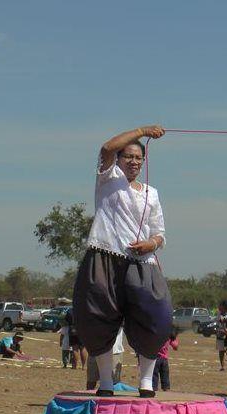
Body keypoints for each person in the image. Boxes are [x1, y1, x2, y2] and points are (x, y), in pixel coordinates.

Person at [73, 125, 173, 398]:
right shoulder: (108, 178)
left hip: (142, 262)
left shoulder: (151, 193)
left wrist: (151, 244)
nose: (133, 161)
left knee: (156, 315)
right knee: (98, 316)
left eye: (138, 158)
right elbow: (106, 147)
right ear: (118, 161)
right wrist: (142, 131)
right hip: (104, 255)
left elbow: (160, 233)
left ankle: (146, 381)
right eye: (127, 156)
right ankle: (106, 382)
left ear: (144, 162)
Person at [216, 300, 227, 371]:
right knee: (221, 351)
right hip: (220, 335)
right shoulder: (219, 314)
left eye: (220, 305)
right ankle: (222, 366)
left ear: (225, 307)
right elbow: (217, 323)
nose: (219, 307)